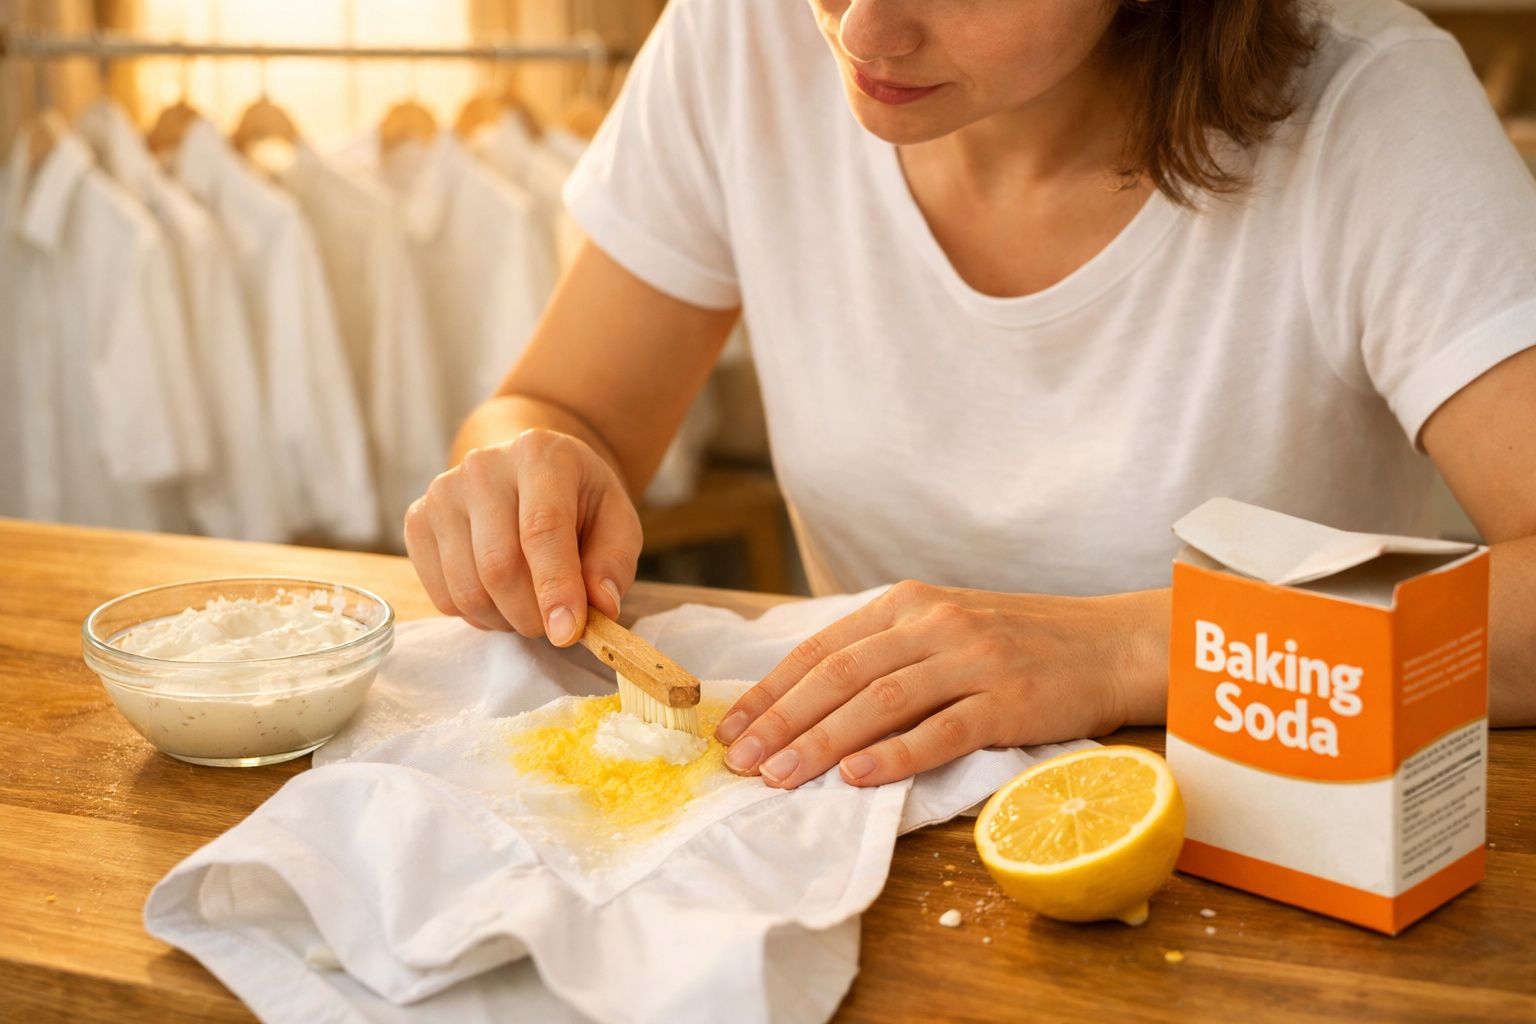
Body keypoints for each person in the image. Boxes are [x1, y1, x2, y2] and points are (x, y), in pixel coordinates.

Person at [405, 0, 1536, 792]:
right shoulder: (736, 36)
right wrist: (527, 471)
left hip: (1276, 850)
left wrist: (1126, 652)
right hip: (859, 825)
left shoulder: (1369, 109)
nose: (863, 31)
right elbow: (564, 406)